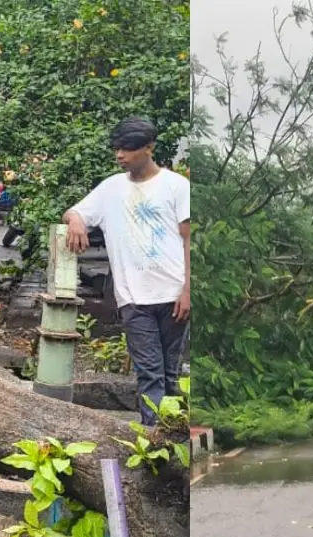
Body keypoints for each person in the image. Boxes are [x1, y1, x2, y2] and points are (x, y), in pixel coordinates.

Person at [64, 117, 190, 426]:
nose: (120, 155)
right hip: (134, 298)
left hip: (174, 294)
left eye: (127, 149)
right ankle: (154, 440)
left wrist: (188, 290)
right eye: (117, 149)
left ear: (149, 147)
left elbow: (189, 240)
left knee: (171, 375)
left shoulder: (177, 186)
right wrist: (77, 220)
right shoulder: (110, 188)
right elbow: (74, 211)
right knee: (150, 373)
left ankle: (172, 442)